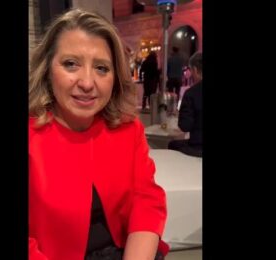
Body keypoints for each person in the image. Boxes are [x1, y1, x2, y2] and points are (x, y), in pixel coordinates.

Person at [28, 9, 168, 260]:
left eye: (102, 68)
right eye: (71, 64)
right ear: (47, 69)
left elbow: (146, 201)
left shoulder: (128, 128)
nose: (87, 82)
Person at [168, 52, 202, 157]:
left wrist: (180, 114)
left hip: (197, 148)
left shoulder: (191, 93)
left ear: (195, 69)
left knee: (172, 145)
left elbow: (185, 126)